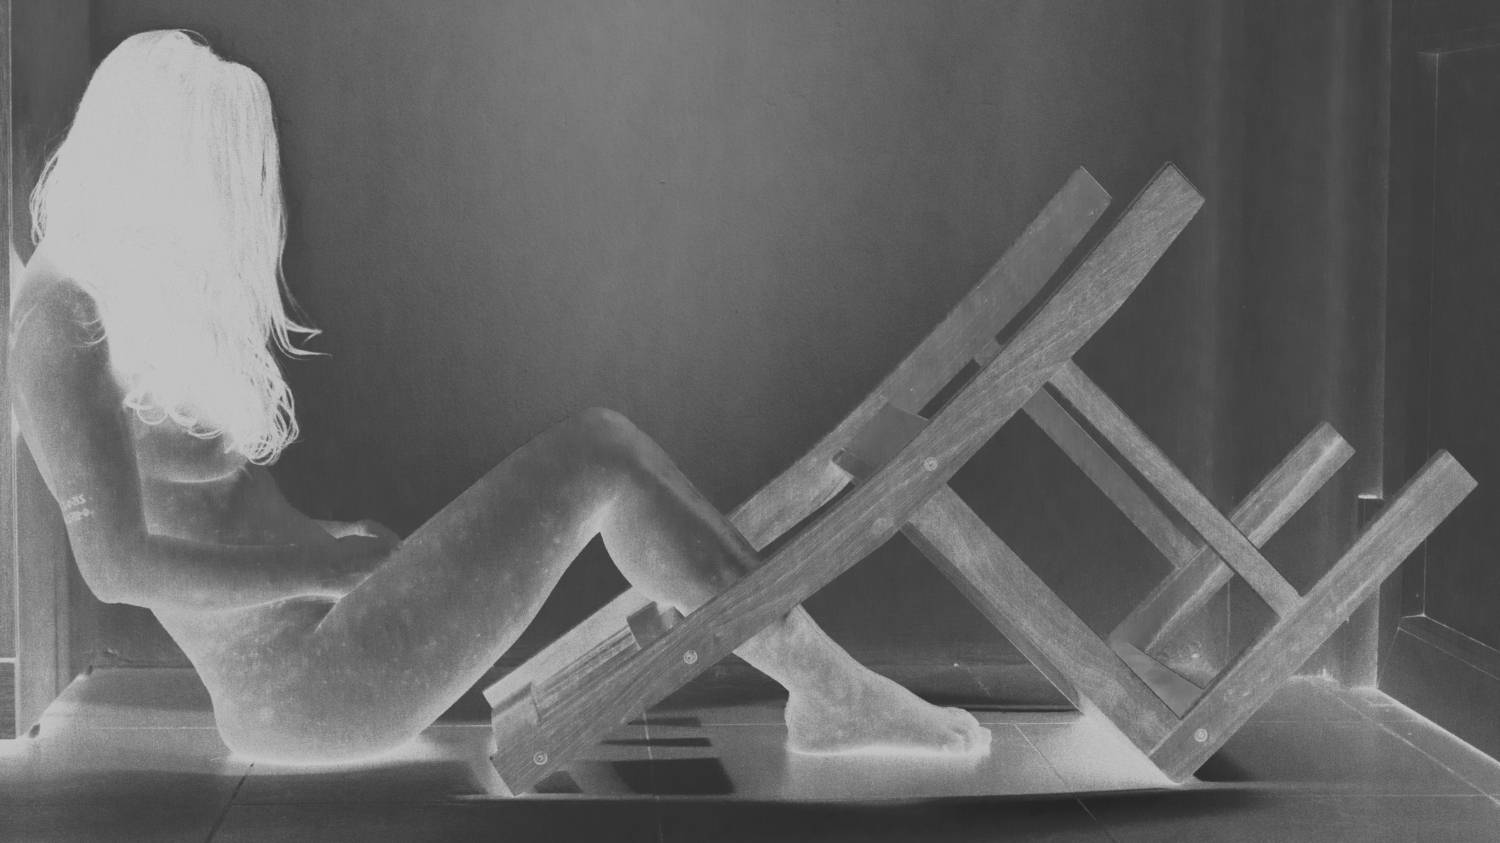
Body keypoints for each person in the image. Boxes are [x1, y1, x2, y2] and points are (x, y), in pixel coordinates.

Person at [12, 29, 991, 766]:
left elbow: (201, 509)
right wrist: (321, 565)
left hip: (330, 637)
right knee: (595, 455)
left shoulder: (103, 303)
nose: (229, 210)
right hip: (307, 690)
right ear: (151, 168)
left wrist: (326, 551)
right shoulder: (61, 320)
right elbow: (114, 565)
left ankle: (826, 684)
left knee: (610, 442)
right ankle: (832, 687)